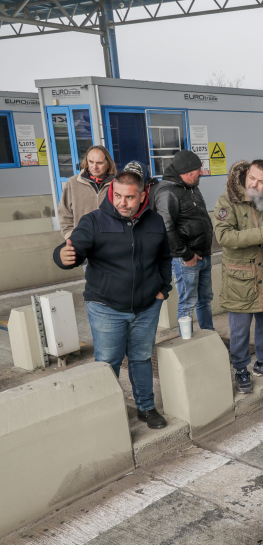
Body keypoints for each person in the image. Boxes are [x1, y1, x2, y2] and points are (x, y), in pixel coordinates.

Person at [52, 162, 172, 429]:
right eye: (117, 195)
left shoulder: (154, 221)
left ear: (142, 195)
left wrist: (164, 288)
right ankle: (106, 414)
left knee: (141, 358)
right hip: (106, 307)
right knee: (108, 363)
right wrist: (63, 256)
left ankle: (146, 407)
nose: (122, 202)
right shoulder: (93, 221)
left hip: (147, 306)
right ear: (111, 192)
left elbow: (164, 257)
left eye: (129, 196)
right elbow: (74, 248)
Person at [214, 160, 263, 393]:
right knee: (239, 330)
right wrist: (261, 233)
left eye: (261, 182)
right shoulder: (227, 201)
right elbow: (225, 237)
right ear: (247, 174)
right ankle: (240, 369)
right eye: (252, 178)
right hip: (241, 279)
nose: (254, 185)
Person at [151, 150, 214, 331]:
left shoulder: (191, 187)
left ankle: (208, 336)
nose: (201, 173)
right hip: (186, 260)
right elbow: (166, 228)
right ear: (187, 172)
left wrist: (205, 247)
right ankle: (187, 343)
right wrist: (186, 254)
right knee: (188, 302)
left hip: (202, 255)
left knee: (205, 300)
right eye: (198, 170)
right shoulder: (167, 192)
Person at [58, 145, 117, 239]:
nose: (94, 167)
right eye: (91, 162)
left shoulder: (117, 184)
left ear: (108, 163)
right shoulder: (73, 183)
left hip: (111, 241)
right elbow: (64, 213)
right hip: (82, 240)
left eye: (99, 163)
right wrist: (69, 235)